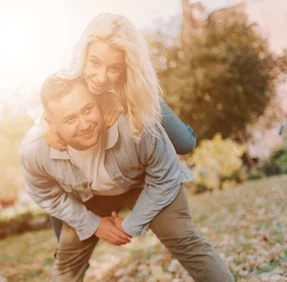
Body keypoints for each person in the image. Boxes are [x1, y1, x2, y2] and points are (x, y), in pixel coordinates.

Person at [18, 74, 272, 282]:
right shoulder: (34, 150)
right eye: (70, 118)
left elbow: (165, 175)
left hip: (146, 183)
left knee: (183, 238)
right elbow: (48, 196)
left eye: (88, 109)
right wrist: (94, 224)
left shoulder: (134, 123)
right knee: (68, 253)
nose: (84, 123)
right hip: (88, 197)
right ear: (51, 122)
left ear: (97, 102)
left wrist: (130, 225)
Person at [45, 13, 197, 242]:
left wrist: (121, 99)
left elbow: (127, 92)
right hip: (92, 173)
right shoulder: (71, 77)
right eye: (95, 63)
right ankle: (62, 248)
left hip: (131, 97)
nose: (100, 77)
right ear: (84, 56)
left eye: (113, 68)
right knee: (58, 179)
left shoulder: (128, 82)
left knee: (185, 143)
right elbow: (54, 103)